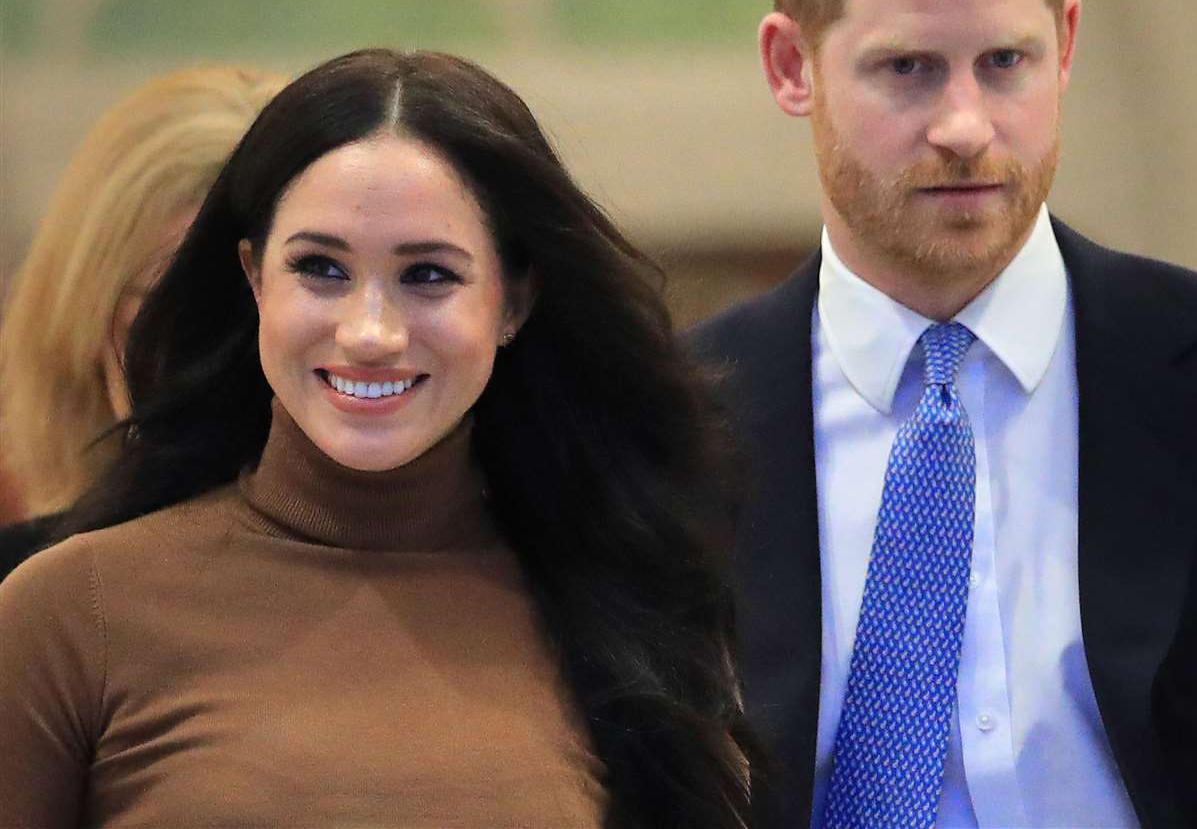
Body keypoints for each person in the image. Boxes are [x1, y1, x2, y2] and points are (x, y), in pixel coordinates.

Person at [691, 0, 1197, 829]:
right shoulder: (668, 416)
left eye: (1003, 62)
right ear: (791, 66)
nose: (965, 125)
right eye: (907, 69)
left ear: (1063, 44)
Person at [0, 49, 753, 826]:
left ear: (513, 301)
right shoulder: (69, 612)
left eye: (429, 275)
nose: (369, 332)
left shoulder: (630, 608)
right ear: (255, 280)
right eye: (320, 267)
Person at [0, 65, 285, 577]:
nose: (228, 364)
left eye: (256, 313)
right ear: (87, 328)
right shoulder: (27, 600)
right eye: (173, 319)